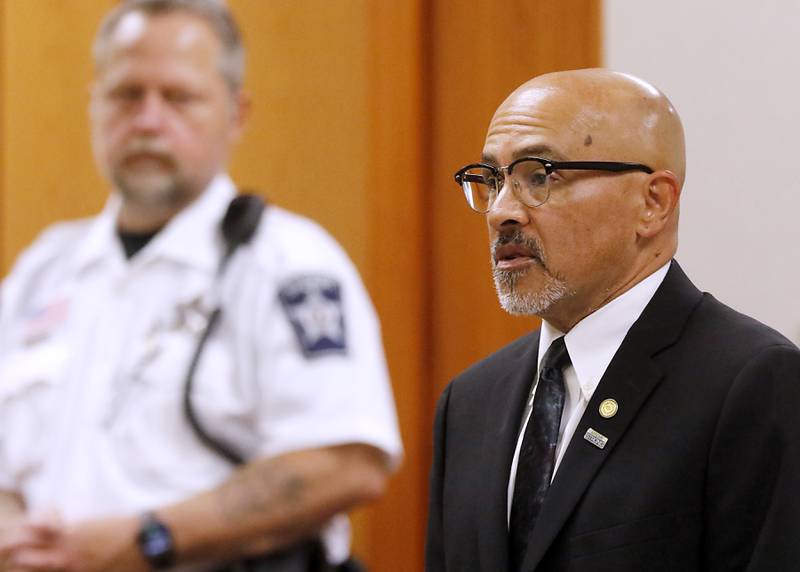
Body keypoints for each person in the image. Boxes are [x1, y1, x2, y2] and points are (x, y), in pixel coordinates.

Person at [0, 1, 402, 571]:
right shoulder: (43, 270)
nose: (147, 120)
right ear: (93, 104)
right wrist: (17, 536)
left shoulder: (285, 263)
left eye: (179, 97)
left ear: (235, 114)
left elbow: (345, 463)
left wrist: (145, 541)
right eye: (125, 94)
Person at [425, 68, 800, 572]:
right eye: (492, 180)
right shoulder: (470, 403)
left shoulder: (751, 382)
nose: (501, 212)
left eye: (539, 175)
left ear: (653, 203)